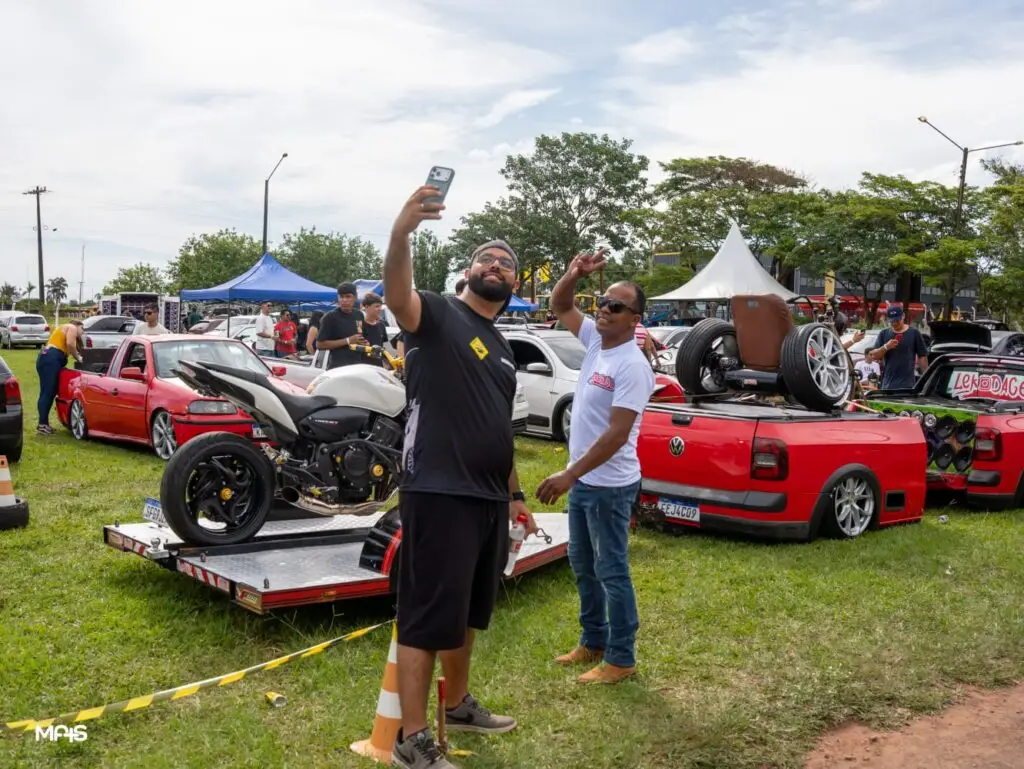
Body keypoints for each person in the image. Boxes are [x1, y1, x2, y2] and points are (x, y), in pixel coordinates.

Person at [383, 185, 538, 769]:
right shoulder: (437, 314)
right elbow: (397, 294)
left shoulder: (503, 348)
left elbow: (498, 428)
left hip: (487, 497)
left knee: (468, 612)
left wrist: (515, 496)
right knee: (426, 617)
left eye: (507, 263)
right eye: (485, 258)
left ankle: (462, 701)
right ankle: (411, 739)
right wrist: (402, 233)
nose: (495, 265)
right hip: (438, 489)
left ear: (515, 284)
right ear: (467, 273)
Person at [535, 248, 655, 686]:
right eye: (602, 301)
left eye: (616, 306)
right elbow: (560, 305)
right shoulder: (596, 344)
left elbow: (617, 435)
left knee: (612, 570)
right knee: (581, 561)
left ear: (634, 318)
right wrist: (572, 272)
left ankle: (622, 657)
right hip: (584, 480)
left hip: (609, 485)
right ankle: (594, 640)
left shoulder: (633, 366)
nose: (604, 309)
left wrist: (569, 474)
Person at [36, 320, 84, 435]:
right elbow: (70, 344)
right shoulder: (71, 327)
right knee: (48, 392)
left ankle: (43, 423)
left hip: (47, 357)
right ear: (77, 325)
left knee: (48, 391)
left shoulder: (62, 328)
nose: (82, 332)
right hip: (51, 359)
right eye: (82, 329)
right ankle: (42, 425)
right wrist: (78, 358)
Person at [864, 305, 928, 389]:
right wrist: (886, 347)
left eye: (897, 320)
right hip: (888, 384)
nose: (894, 323)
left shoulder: (914, 333)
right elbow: (875, 356)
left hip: (907, 385)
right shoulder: (884, 334)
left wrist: (926, 379)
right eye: (892, 321)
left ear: (903, 316)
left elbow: (922, 357)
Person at [314, 283, 367, 369]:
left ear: (355, 297)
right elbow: (319, 344)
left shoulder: (359, 315)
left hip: (357, 366)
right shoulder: (330, 317)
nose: (344, 300)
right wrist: (348, 340)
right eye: (341, 297)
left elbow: (359, 335)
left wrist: (364, 342)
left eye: (348, 296)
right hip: (338, 368)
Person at [361, 292, 389, 357]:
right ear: (366, 307)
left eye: (380, 306)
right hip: (364, 365)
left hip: (379, 365)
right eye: (377, 306)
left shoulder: (381, 325)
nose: (380, 309)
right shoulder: (359, 326)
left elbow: (383, 348)